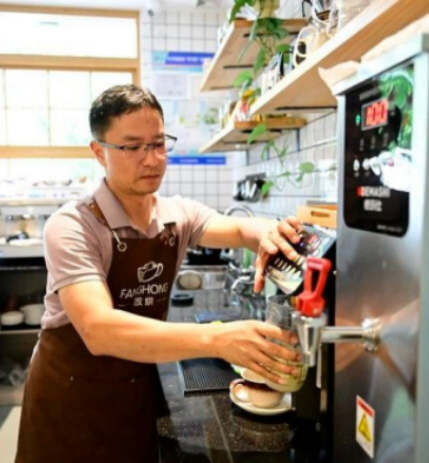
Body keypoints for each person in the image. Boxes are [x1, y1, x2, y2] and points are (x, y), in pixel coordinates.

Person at [15, 84, 306, 463]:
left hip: (135, 391)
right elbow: (98, 329)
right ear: (99, 151)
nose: (151, 159)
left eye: (157, 144)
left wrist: (267, 231)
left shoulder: (176, 215)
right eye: (132, 147)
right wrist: (219, 339)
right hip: (70, 399)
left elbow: (237, 228)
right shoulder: (73, 225)